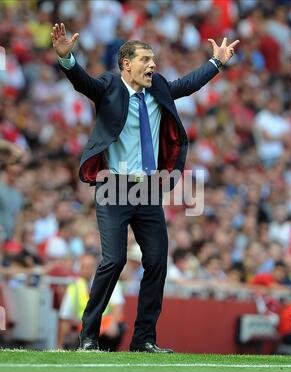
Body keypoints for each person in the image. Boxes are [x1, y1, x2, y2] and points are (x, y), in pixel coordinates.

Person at [51, 22, 239, 353]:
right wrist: (68, 60)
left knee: (156, 261)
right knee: (113, 260)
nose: (153, 65)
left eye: (153, 59)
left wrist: (216, 62)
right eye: (146, 60)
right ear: (126, 64)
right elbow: (85, 84)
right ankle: (89, 336)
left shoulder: (159, 87)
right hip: (114, 188)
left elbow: (187, 84)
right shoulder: (109, 85)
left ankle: (144, 339)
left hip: (148, 190)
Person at [57, 253, 126, 351]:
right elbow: (65, 317)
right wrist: (60, 345)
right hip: (81, 329)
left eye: (90, 266)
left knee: (119, 327)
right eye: (84, 266)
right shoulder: (74, 287)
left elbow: (118, 307)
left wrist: (113, 323)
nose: (87, 269)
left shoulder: (109, 281)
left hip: (105, 329)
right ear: (79, 268)